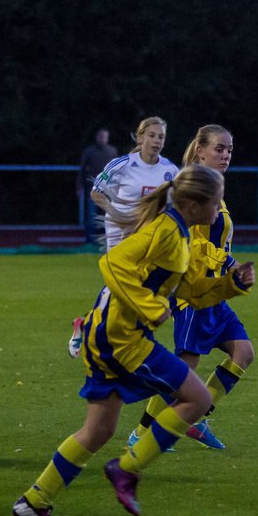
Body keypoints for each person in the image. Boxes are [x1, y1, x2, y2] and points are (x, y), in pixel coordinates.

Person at [13, 166, 246, 516]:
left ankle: (34, 501)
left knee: (98, 431)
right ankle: (126, 469)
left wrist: (231, 284)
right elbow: (113, 261)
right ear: (194, 205)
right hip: (119, 337)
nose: (219, 211)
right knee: (197, 399)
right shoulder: (165, 230)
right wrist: (152, 308)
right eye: (215, 204)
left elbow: (192, 293)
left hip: (109, 332)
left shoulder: (178, 233)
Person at [126, 125, 256, 452]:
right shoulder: (191, 188)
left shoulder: (214, 187)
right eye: (219, 149)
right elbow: (177, 239)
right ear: (201, 151)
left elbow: (214, 246)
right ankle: (141, 434)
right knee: (183, 371)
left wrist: (232, 267)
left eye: (229, 149)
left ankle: (195, 418)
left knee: (243, 353)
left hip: (215, 291)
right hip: (194, 295)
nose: (226, 154)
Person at [68, 116, 176, 356]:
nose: (157, 140)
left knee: (135, 289)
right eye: (152, 135)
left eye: (161, 136)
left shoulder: (170, 170)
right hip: (121, 234)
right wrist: (118, 214)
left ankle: (91, 327)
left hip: (150, 239)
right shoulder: (122, 164)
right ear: (140, 137)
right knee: (121, 286)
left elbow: (174, 206)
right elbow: (97, 193)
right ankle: (104, 334)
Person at [78, 127, 118, 244]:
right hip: (93, 188)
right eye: (101, 136)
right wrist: (79, 186)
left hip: (108, 189)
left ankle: (108, 240)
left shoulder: (112, 151)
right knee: (91, 215)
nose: (103, 139)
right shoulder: (89, 151)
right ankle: (89, 241)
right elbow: (82, 170)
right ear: (97, 138)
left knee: (108, 215)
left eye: (105, 136)